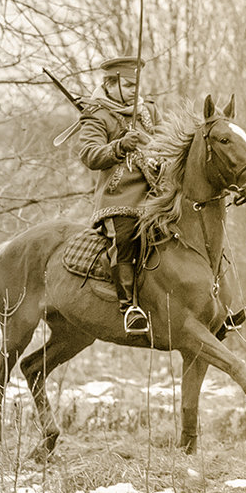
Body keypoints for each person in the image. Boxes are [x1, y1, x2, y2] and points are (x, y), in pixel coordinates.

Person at [76, 56, 159, 334]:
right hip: (119, 198)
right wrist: (120, 146)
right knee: (124, 238)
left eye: (138, 84)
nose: (136, 90)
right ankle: (130, 307)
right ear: (110, 84)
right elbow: (89, 154)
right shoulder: (97, 115)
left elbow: (165, 143)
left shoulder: (149, 112)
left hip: (156, 195)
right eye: (129, 84)